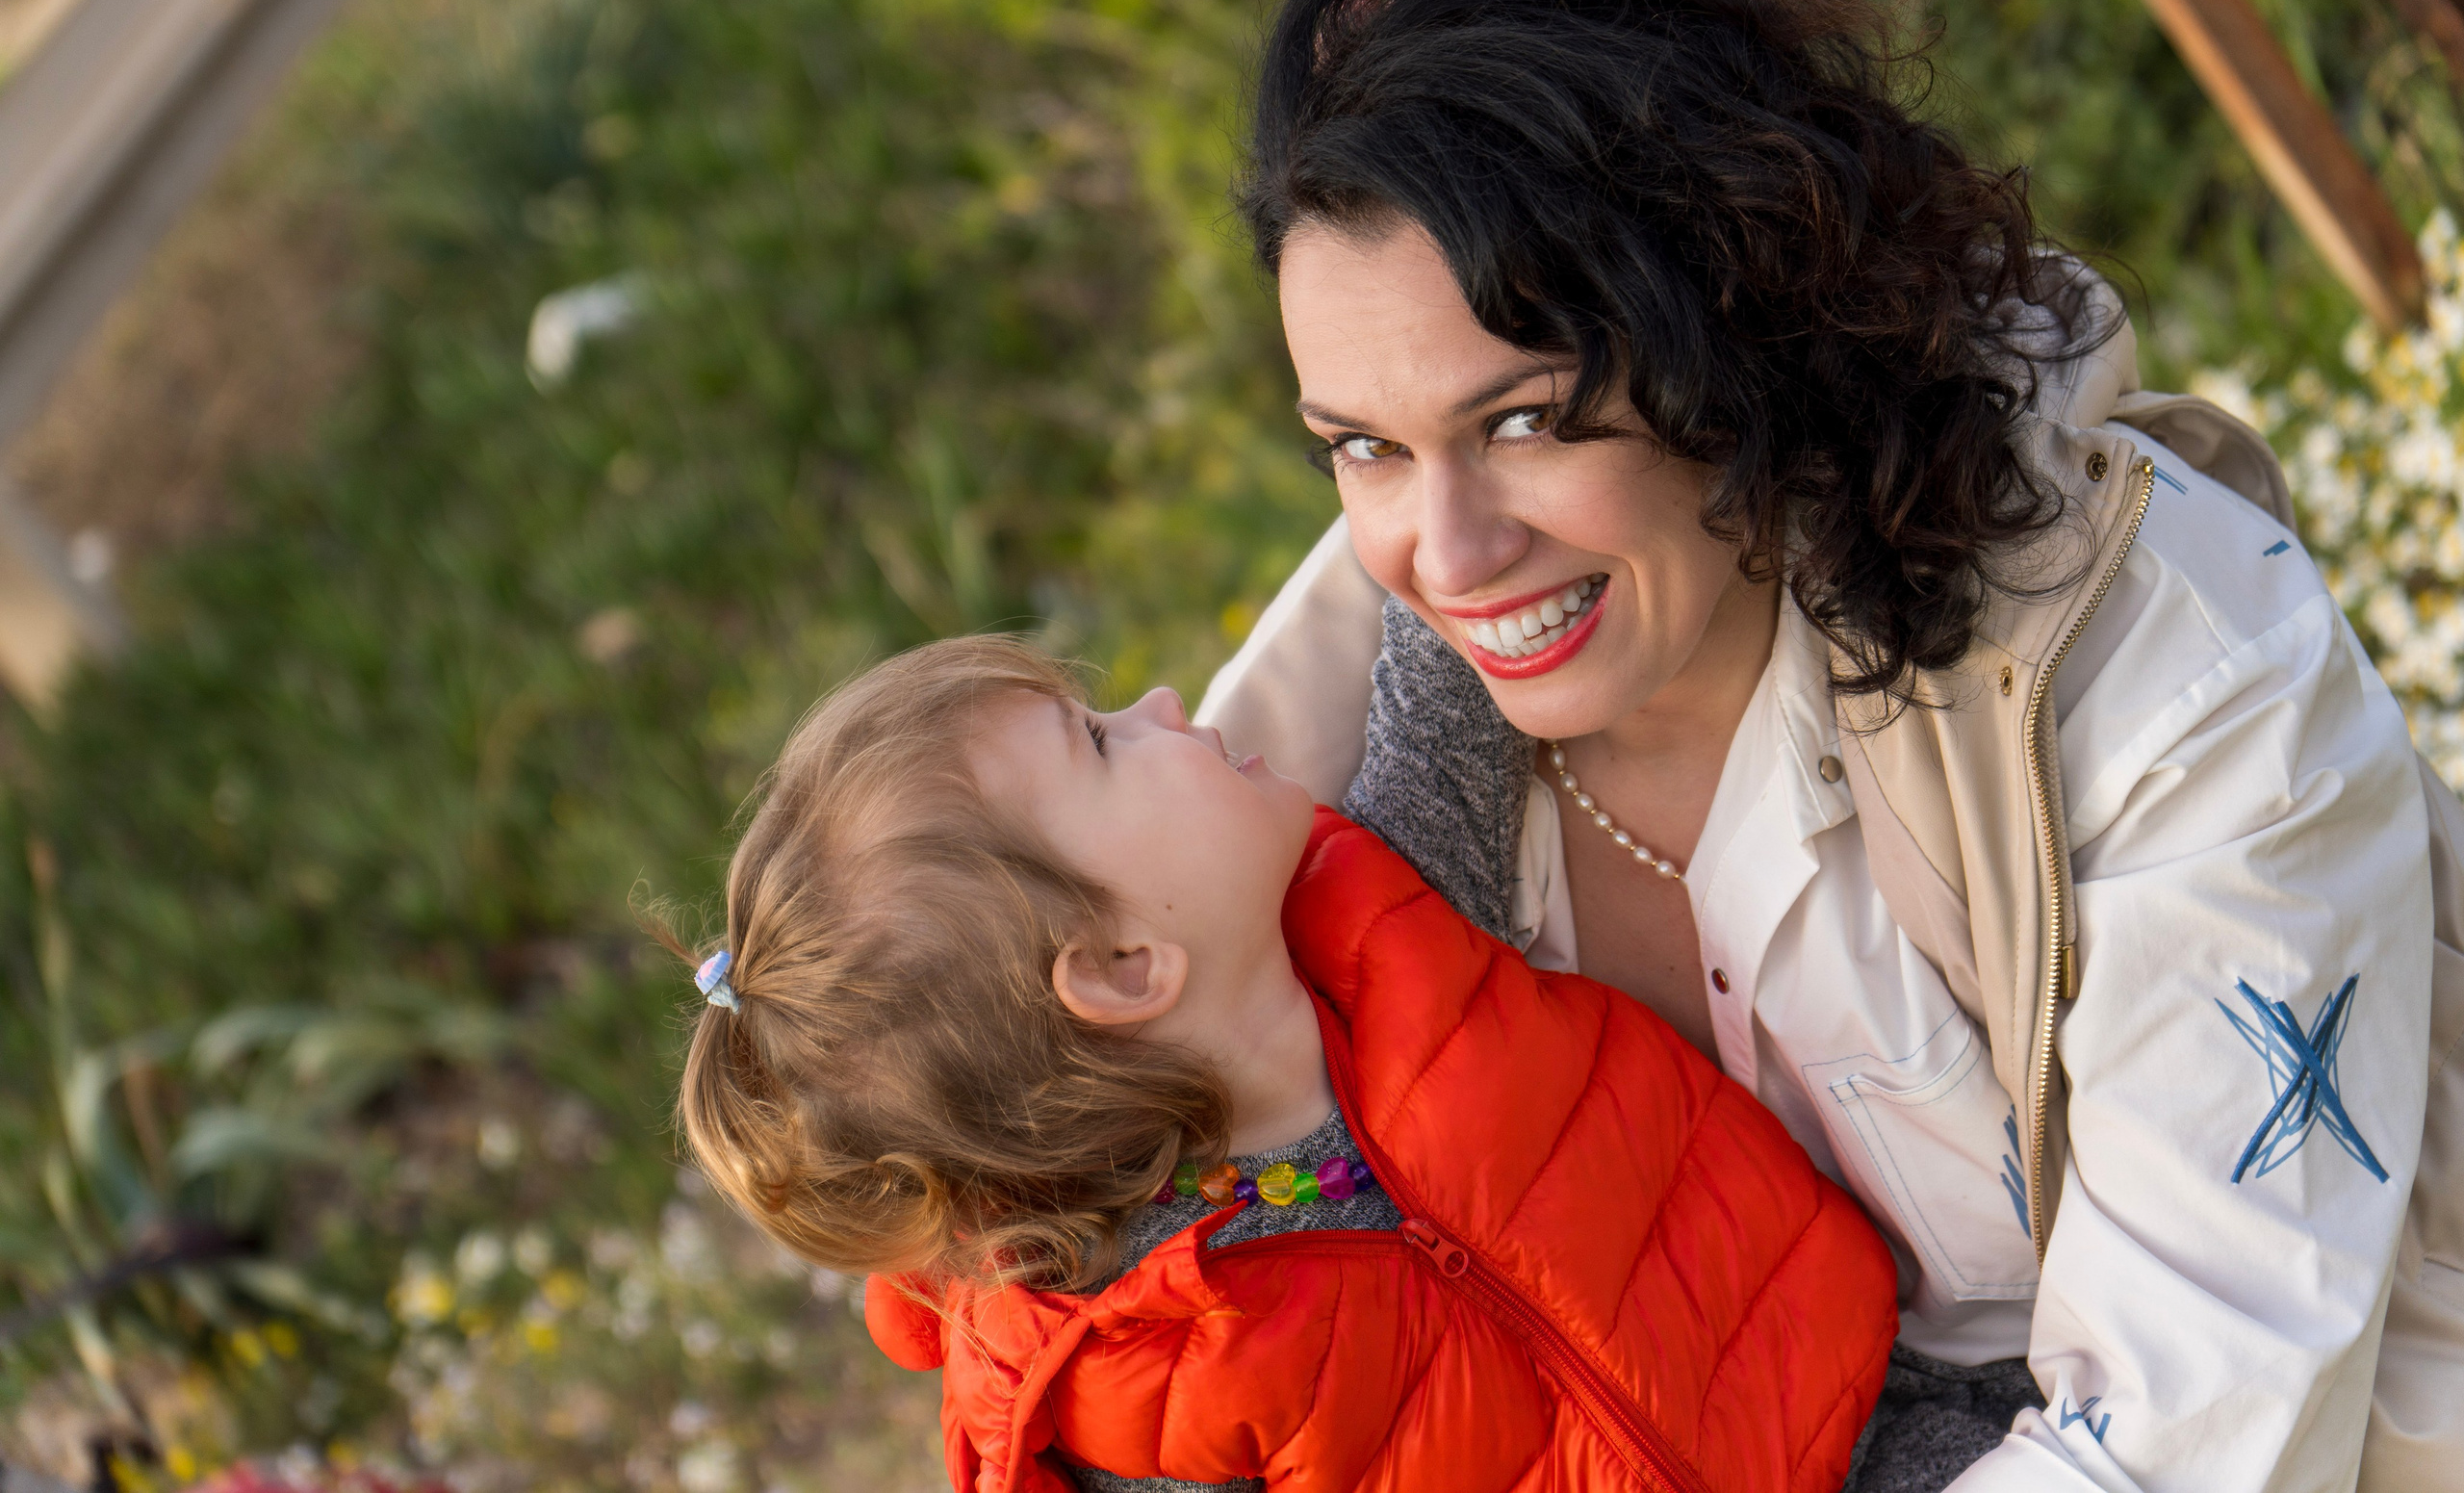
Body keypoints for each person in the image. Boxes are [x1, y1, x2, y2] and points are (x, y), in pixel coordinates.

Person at [1197, 0, 2464, 1493]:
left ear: (1735, 323)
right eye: (1363, 447)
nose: (1444, 553)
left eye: (1524, 419)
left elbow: (2180, 1439)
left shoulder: (2176, 673)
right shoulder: (1333, 775)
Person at [660, 634, 1899, 1492]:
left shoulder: (1393, 904)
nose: (1155, 704)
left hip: (1897, 1403)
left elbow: (1443, 639)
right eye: (1098, 743)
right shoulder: (1146, 1391)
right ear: (1124, 966)